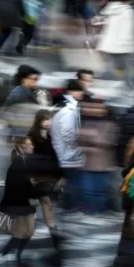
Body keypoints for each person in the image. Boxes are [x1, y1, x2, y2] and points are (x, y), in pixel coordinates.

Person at [0, 137, 44, 267]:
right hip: (20, 204)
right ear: (22, 147)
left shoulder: (28, 162)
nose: (32, 147)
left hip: (28, 203)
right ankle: (11, 255)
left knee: (28, 232)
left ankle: (9, 253)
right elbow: (14, 185)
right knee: (21, 233)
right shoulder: (18, 163)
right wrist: (32, 183)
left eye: (31, 145)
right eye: (29, 145)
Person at [50, 79, 85, 215]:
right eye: (78, 90)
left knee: (69, 180)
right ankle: (69, 208)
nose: (81, 93)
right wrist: (78, 144)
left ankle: (66, 206)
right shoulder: (68, 109)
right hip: (67, 153)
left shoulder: (65, 106)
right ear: (69, 91)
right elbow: (68, 134)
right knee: (72, 181)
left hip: (64, 152)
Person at [97, 0, 134, 92]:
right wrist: (131, 45)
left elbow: (100, 24)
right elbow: (130, 29)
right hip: (124, 45)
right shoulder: (128, 12)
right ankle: (132, 87)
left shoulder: (110, 9)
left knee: (109, 64)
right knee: (129, 67)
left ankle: (104, 83)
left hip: (109, 43)